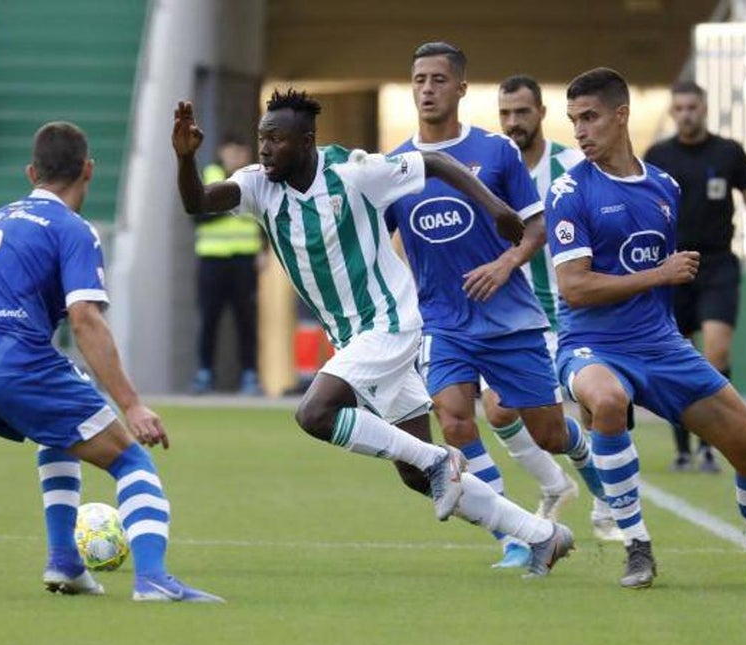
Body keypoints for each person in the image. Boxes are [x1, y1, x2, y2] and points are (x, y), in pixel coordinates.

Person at [173, 89, 575, 578]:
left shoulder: (354, 172)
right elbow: (198, 202)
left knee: (316, 412)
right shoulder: (260, 186)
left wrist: (495, 208)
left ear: (306, 142)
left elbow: (436, 163)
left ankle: (436, 460)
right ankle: (540, 535)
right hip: (356, 338)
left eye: (275, 140)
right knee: (411, 474)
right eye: (262, 138)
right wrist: (185, 158)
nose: (264, 149)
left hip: (391, 322)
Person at [0, 121, 222, 603]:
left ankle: (65, 562)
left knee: (63, 429)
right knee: (130, 459)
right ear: (88, 170)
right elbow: (85, 320)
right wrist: (132, 405)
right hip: (15, 368)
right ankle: (152, 580)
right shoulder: (72, 228)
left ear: (30, 173)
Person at [546, 67, 746, 588]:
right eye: (573, 120)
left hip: (661, 345)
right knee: (604, 399)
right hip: (592, 344)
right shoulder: (569, 191)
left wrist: (664, 290)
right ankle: (637, 545)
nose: (579, 131)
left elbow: (659, 281)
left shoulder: (663, 187)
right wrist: (658, 274)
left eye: (590, 118)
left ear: (620, 115)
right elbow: (575, 288)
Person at [382, 44, 608, 570]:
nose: (428, 89)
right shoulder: (395, 166)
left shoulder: (497, 152)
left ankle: (595, 473)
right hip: (442, 320)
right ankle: (514, 535)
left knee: (547, 432)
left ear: (461, 88)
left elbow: (536, 225)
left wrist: (506, 265)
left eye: (439, 79)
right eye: (419, 79)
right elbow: (378, 242)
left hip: (510, 318)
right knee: (455, 420)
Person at [493, 73, 622, 543]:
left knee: (587, 408)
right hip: (512, 317)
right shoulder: (491, 167)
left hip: (567, 312)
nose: (512, 122)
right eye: (505, 113)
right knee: (501, 412)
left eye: (522, 112)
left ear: (542, 113)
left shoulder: (571, 165)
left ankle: (608, 502)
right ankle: (556, 483)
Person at [644, 80, 746, 473]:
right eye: (679, 108)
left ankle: (710, 446)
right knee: (677, 357)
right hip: (671, 268)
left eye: (692, 107)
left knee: (716, 353)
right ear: (672, 112)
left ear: (704, 109)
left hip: (717, 265)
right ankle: (683, 449)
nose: (686, 114)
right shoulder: (658, 155)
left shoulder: (729, 153)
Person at [191, 137, 266, 395]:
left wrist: (264, 250)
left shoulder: (253, 180)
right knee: (209, 319)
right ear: (222, 151)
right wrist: (231, 203)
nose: (236, 155)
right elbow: (198, 215)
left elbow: (263, 216)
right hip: (212, 259)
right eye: (232, 150)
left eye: (241, 150)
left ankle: (249, 374)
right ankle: (204, 373)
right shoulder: (209, 175)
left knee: (246, 320)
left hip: (244, 260)